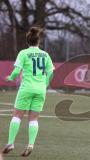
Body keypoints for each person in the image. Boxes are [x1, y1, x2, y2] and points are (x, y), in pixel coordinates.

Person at [1, 27, 54, 157]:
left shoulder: (23, 53)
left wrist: (10, 78)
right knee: (34, 118)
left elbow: (16, 71)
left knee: (17, 115)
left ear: (27, 41)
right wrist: (45, 84)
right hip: (40, 90)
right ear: (39, 41)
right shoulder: (45, 54)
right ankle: (30, 144)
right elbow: (51, 71)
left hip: (27, 88)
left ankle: (11, 143)